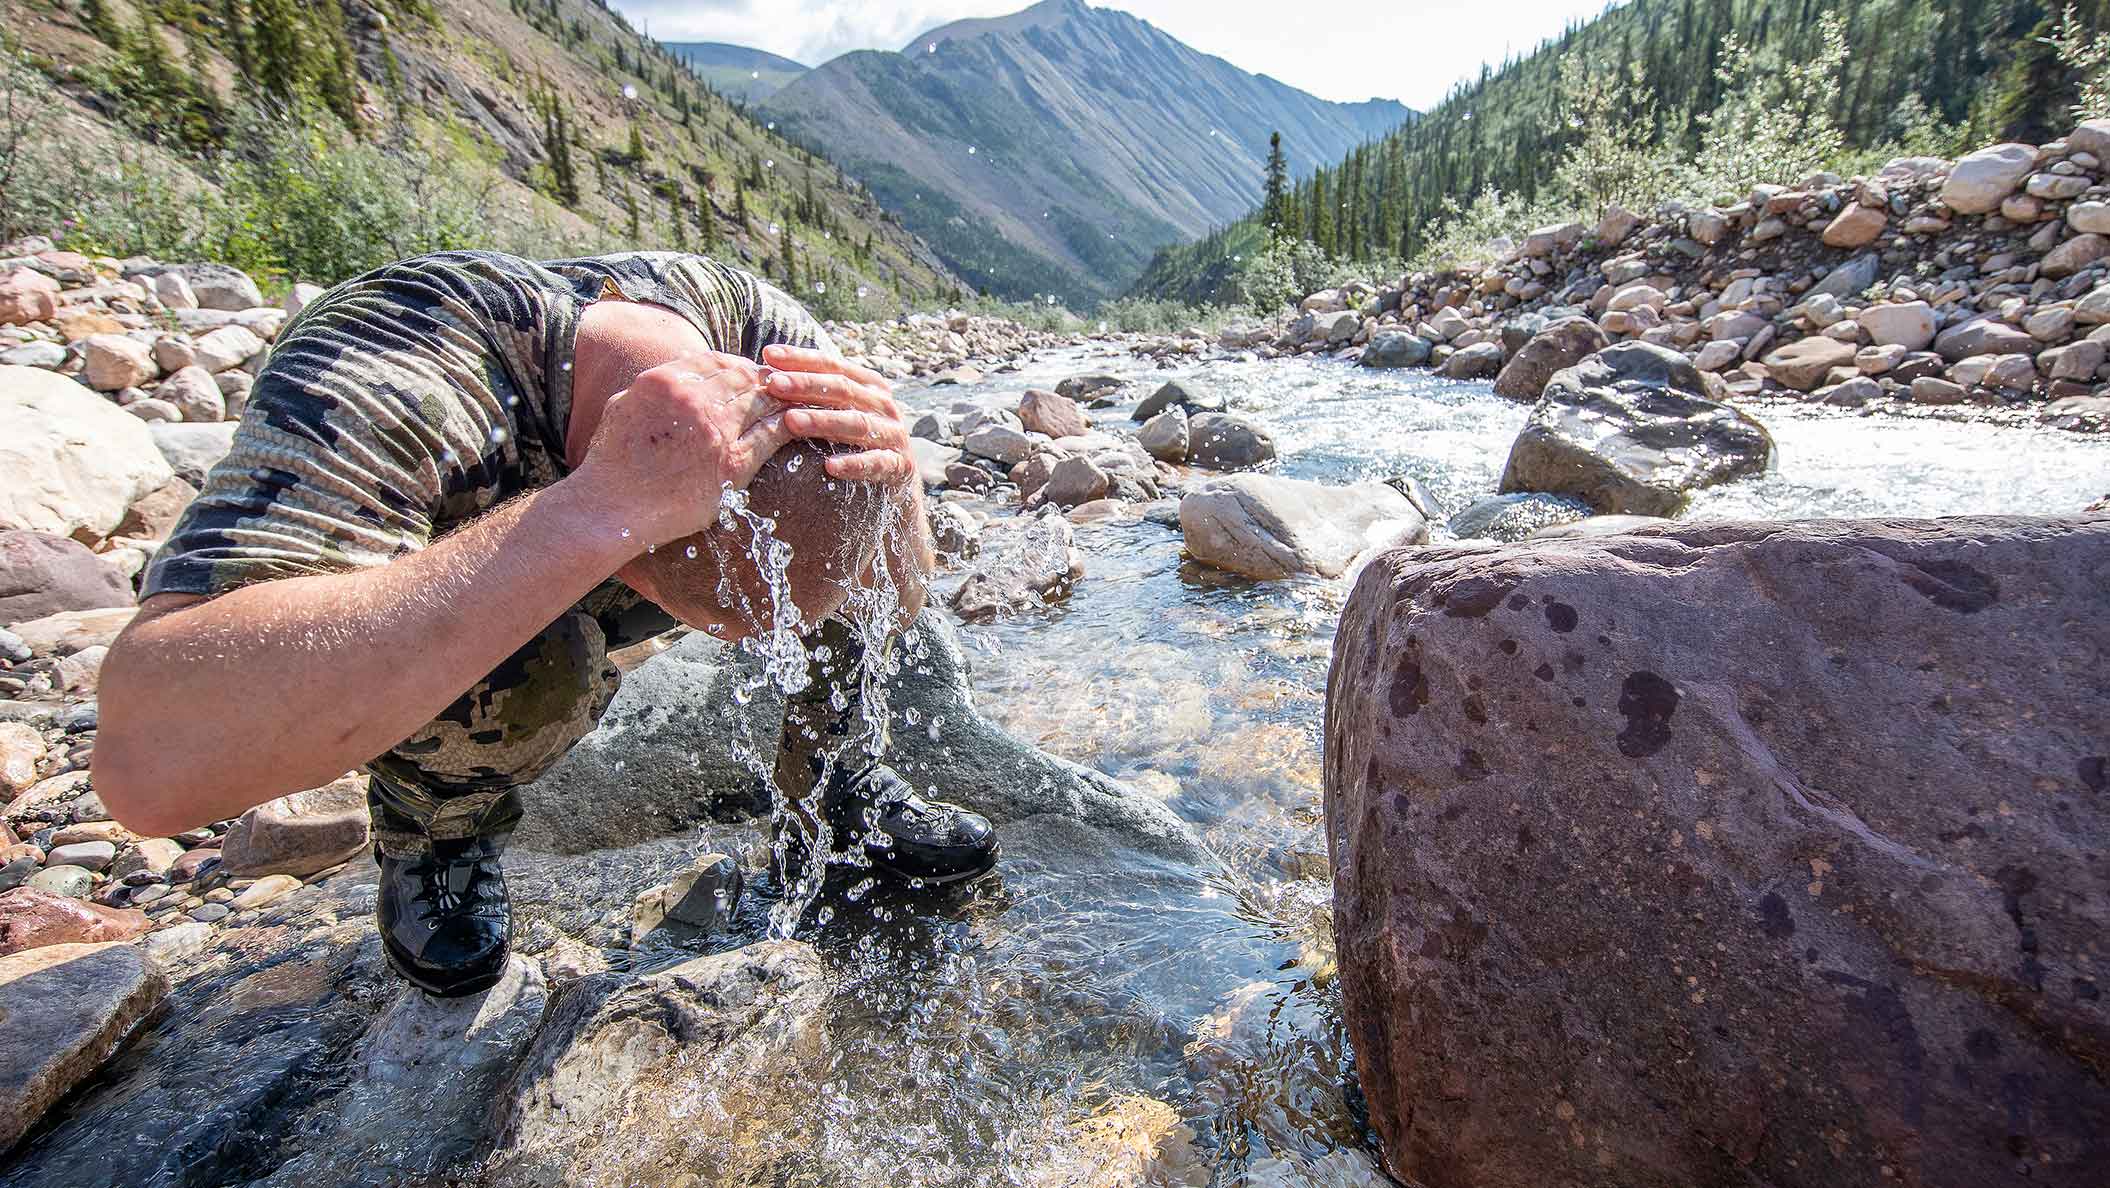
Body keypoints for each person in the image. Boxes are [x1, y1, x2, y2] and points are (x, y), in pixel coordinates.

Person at [90, 251, 999, 997]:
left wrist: (900, 487)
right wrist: (593, 513)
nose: (750, 653)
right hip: (511, 528)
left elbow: (899, 591)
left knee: (855, 568)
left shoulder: (780, 348)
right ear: (629, 559)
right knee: (531, 666)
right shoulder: (394, 365)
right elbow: (148, 769)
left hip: (625, 503)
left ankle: (837, 790)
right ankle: (437, 831)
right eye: (730, 627)